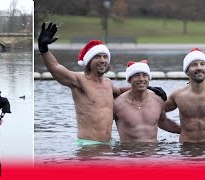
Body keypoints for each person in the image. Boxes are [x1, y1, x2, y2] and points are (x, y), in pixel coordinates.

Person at [38, 22, 167, 146]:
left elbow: (121, 91)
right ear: (89, 61)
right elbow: (56, 68)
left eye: (105, 57)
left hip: (106, 145)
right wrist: (44, 49)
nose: (102, 60)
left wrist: (148, 88)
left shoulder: (108, 84)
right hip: (88, 145)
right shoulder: (79, 81)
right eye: (97, 57)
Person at [114, 60, 181, 143]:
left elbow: (163, 122)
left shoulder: (157, 99)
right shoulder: (118, 104)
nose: (141, 79)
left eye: (145, 75)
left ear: (149, 78)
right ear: (129, 80)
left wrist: (184, 131)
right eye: (136, 75)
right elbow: (104, 126)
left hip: (153, 151)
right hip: (128, 151)